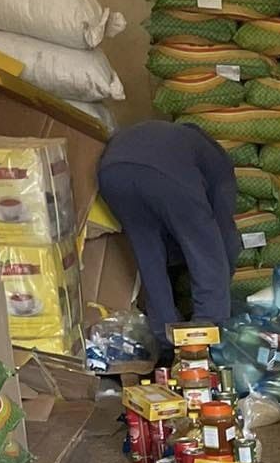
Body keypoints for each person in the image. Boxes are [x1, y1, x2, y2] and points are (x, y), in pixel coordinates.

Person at [96, 120, 241, 347]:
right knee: (205, 248)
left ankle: (165, 338)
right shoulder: (219, 160)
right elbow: (222, 233)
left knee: (149, 255)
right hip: (164, 173)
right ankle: (207, 337)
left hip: (111, 172)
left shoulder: (175, 137)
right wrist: (226, 269)